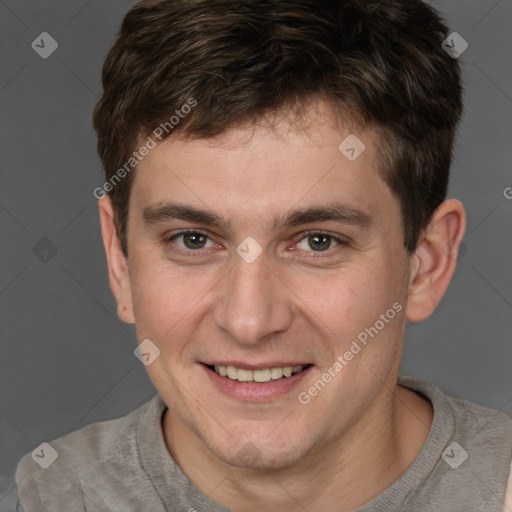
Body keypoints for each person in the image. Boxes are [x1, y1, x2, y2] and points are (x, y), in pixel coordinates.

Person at [14, 0, 512, 510]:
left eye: (318, 241)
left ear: (425, 264)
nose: (249, 320)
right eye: (193, 239)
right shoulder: (58, 495)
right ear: (120, 260)